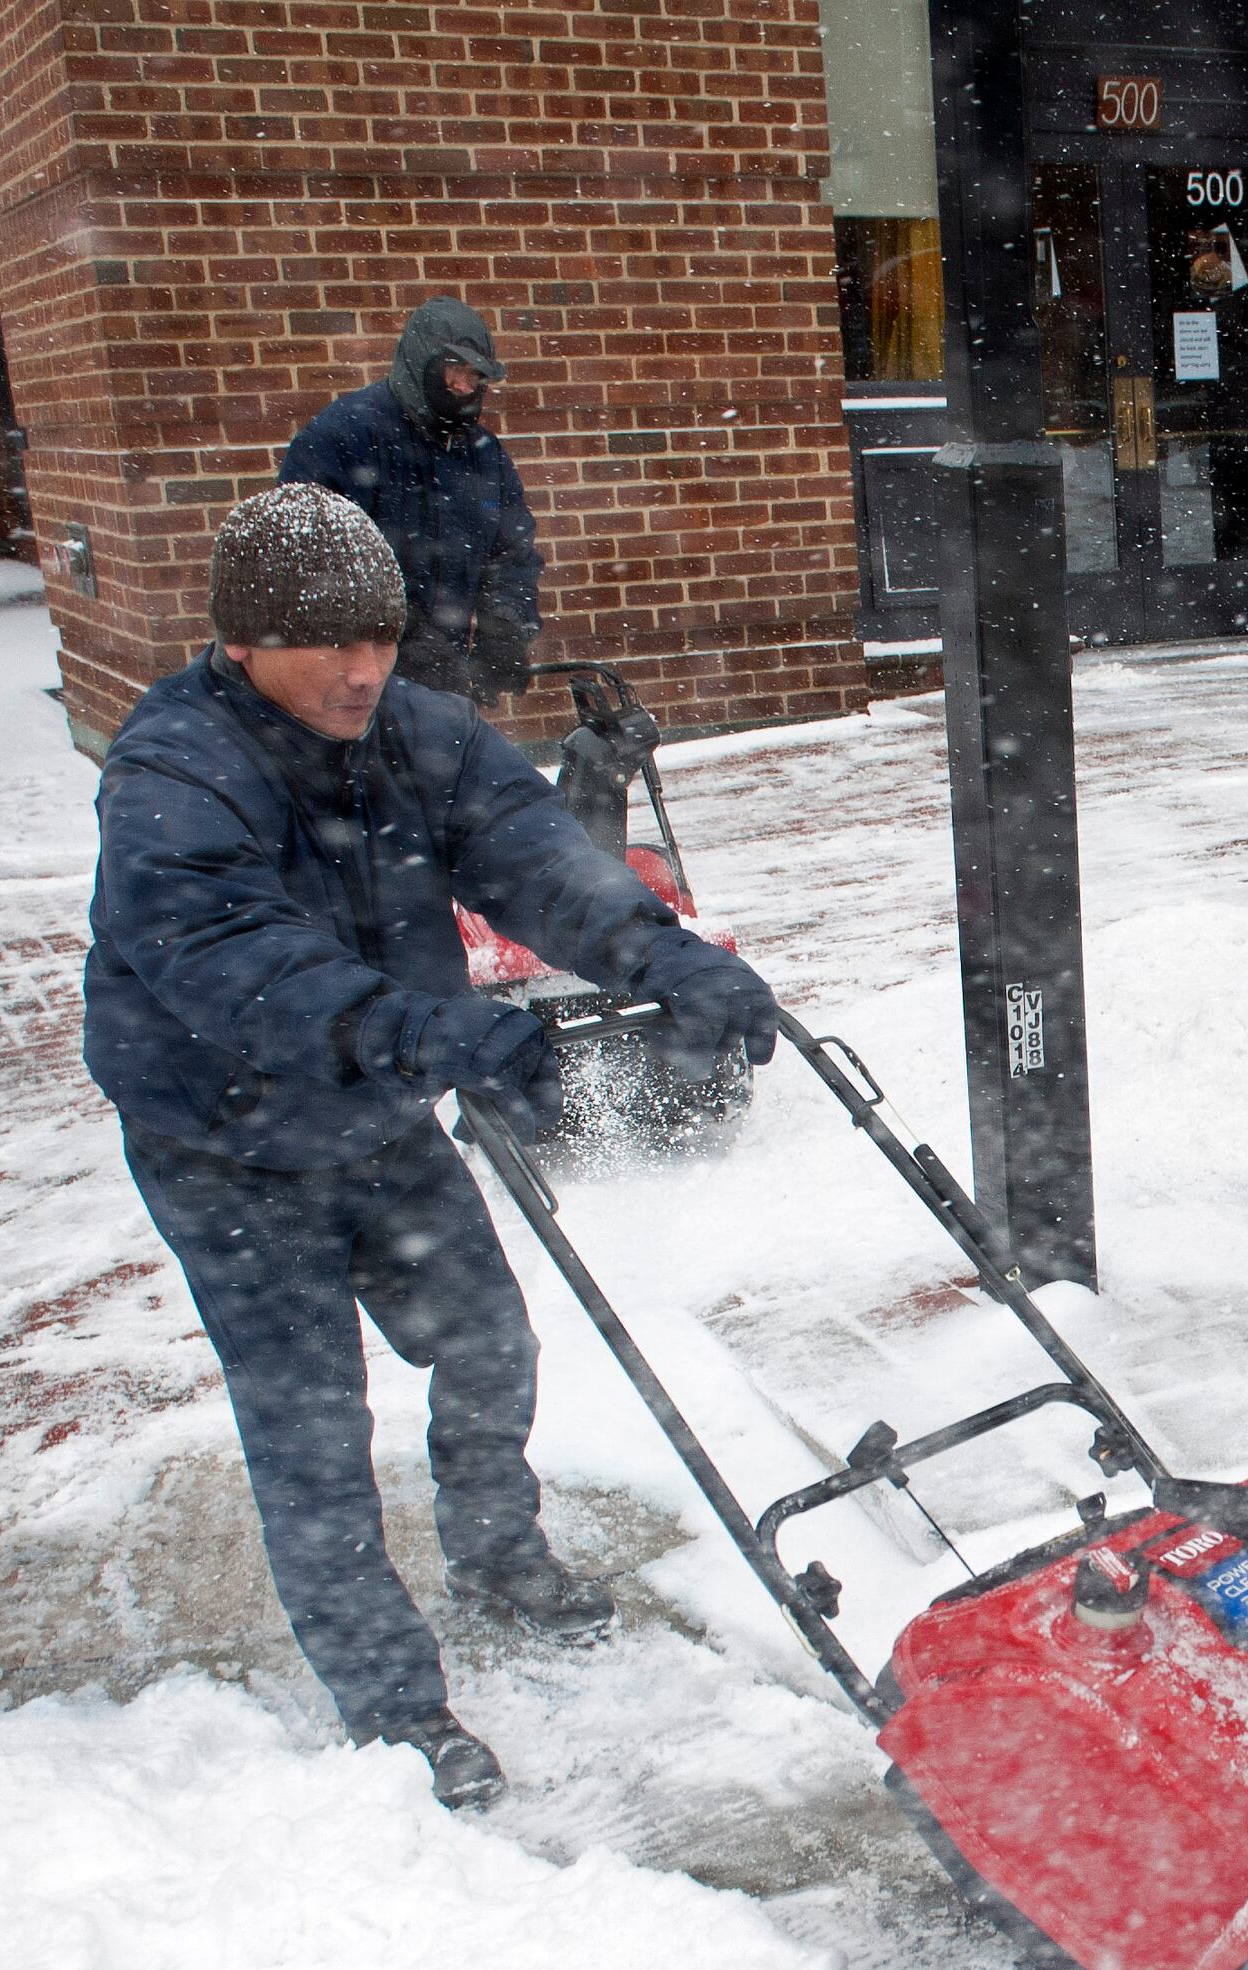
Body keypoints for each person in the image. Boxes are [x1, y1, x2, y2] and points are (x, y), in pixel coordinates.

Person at [85, 485, 783, 1809]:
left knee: (487, 1338)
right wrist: (430, 1033)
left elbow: (536, 862)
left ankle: (496, 1551)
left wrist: (667, 957)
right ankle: (394, 1703)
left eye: (383, 639)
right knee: (311, 1429)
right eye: (331, 645)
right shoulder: (177, 770)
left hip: (376, 1115)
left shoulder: (416, 735)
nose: (365, 670)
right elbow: (231, 967)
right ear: (244, 642)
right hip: (224, 1145)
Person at [279, 297, 542, 705]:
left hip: (443, 683)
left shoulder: (483, 454)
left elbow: (512, 551)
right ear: (422, 366)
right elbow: (309, 560)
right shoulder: (346, 437)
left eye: (474, 377)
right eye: (453, 374)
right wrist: (401, 635)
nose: (463, 388)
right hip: (351, 680)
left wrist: (506, 624)